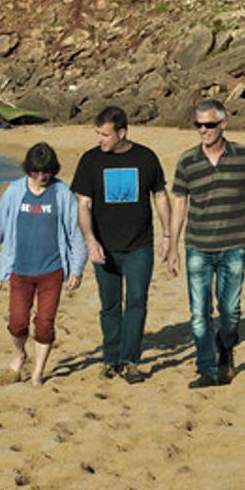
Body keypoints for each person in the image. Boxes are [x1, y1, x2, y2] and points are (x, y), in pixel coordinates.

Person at [168, 99, 245, 388]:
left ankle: (226, 348)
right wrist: (172, 246)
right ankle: (207, 368)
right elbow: (180, 204)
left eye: (209, 125)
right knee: (199, 313)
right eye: (198, 125)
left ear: (223, 124)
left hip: (235, 245)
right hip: (197, 245)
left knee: (230, 312)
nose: (203, 130)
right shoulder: (187, 160)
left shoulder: (244, 156)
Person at [71, 106, 170, 384]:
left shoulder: (146, 157)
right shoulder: (90, 161)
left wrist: (168, 236)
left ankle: (131, 360)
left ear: (122, 133)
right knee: (110, 305)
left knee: (136, 302)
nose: (100, 139)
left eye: (105, 134)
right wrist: (90, 241)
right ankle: (110, 359)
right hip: (104, 247)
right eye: (97, 134)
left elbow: (160, 196)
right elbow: (84, 204)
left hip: (139, 246)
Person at [0, 143, 86, 386]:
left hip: (52, 270)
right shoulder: (13, 191)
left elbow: (74, 233)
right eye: (36, 172)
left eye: (46, 173)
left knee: (44, 324)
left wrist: (77, 268)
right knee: (17, 322)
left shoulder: (62, 193)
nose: (41, 178)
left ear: (53, 170)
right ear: (28, 169)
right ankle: (20, 355)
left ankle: (38, 372)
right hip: (19, 269)